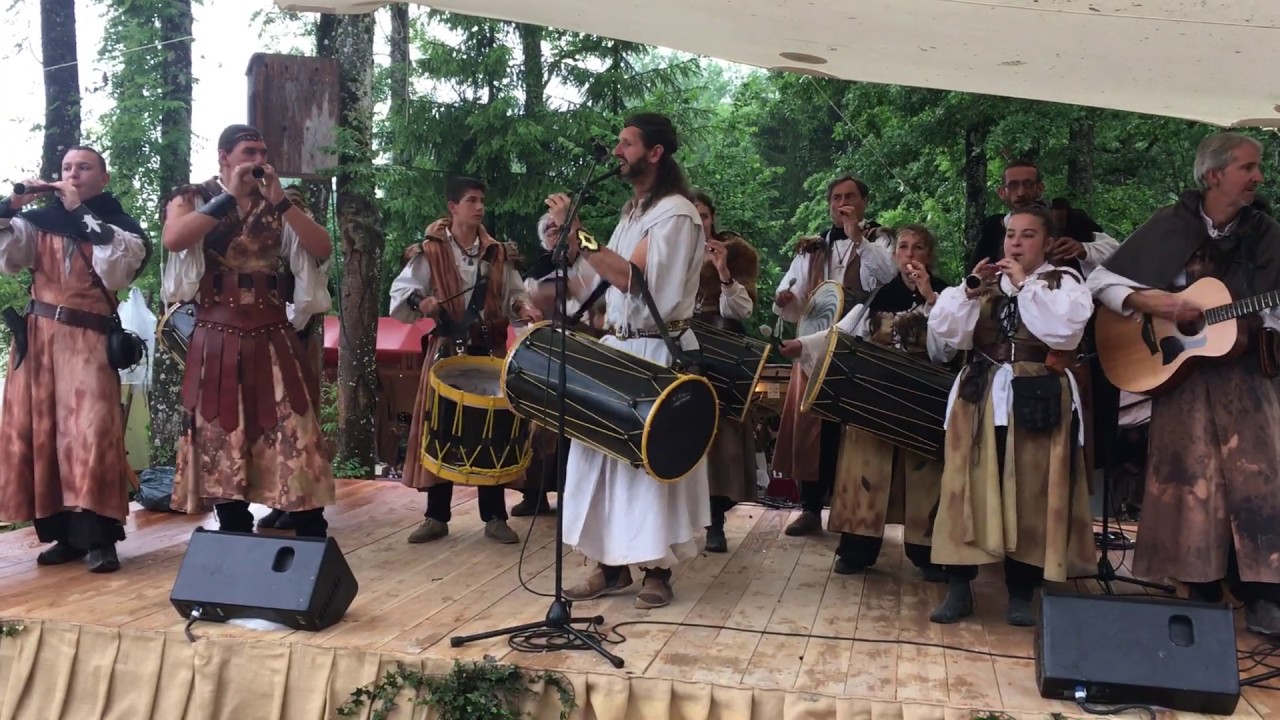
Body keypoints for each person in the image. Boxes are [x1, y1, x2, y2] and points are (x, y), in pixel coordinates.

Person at [1088, 132, 1280, 635]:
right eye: (1248, 167)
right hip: (1182, 378)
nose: (1258, 177)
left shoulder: (1266, 234)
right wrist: (1164, 305)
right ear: (1215, 175)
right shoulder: (1169, 224)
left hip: (1248, 378)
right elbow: (1102, 283)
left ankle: (1263, 593)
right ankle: (1197, 586)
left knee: (1260, 481)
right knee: (1189, 482)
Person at [549, 112, 707, 609]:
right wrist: (563, 264)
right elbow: (603, 287)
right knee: (602, 458)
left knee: (649, 464)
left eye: (627, 143)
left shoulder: (676, 214)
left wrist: (582, 238)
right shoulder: (632, 214)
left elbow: (642, 285)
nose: (617, 151)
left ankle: (658, 571)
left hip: (658, 353)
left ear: (655, 153)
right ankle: (609, 567)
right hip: (620, 348)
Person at [160, 124, 335, 537]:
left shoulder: (282, 201)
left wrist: (281, 203)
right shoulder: (194, 197)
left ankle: (308, 520)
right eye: (249, 152)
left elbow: (322, 248)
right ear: (224, 157)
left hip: (271, 327)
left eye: (262, 152)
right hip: (216, 329)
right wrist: (228, 198)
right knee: (220, 426)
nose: (259, 161)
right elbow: (174, 239)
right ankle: (233, 523)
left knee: (294, 424)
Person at [927, 206, 1096, 626]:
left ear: (1047, 242)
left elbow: (1064, 331)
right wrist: (968, 292)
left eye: (1027, 235)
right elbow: (947, 335)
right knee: (962, 486)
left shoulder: (1063, 282)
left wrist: (1024, 285)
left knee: (1031, 490)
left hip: (1036, 392)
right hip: (980, 391)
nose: (1016, 243)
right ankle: (958, 585)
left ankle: (1022, 590)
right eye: (1010, 235)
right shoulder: (983, 283)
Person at [0, 146, 149, 572]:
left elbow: (116, 270)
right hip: (40, 337)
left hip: (88, 337)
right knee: (45, 434)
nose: (73, 173)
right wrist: (14, 203)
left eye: (83, 167)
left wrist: (79, 210)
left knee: (92, 435)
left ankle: (100, 539)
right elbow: (9, 257)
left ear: (103, 177)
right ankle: (64, 535)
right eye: (67, 168)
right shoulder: (38, 223)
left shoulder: (119, 227)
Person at [781, 224, 953, 579]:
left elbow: (950, 347)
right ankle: (858, 549)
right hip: (875, 397)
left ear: (928, 256)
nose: (909, 254)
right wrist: (802, 346)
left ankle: (927, 552)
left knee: (924, 476)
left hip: (921, 399)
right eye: (903, 247)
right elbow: (839, 333)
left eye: (918, 248)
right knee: (865, 470)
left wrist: (929, 297)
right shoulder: (878, 296)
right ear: (894, 256)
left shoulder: (947, 296)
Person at [389, 177, 540, 545]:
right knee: (443, 427)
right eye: (471, 200)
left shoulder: (498, 253)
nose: (479, 207)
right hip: (446, 350)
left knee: (493, 429)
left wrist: (524, 307)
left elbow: (514, 294)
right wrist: (419, 303)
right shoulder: (431, 251)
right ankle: (436, 516)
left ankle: (495, 517)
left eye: (481, 200)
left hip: (489, 350)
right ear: (453, 207)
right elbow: (402, 292)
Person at [771, 176, 896, 537]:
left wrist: (857, 236)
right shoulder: (812, 247)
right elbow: (791, 292)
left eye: (850, 196)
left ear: (865, 201)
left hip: (860, 344)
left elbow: (887, 278)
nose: (842, 202)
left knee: (852, 432)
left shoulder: (880, 239)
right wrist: (785, 300)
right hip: (813, 349)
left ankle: (852, 514)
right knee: (813, 430)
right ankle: (810, 508)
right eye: (837, 197)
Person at [690, 190, 760, 553]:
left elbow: (742, 311)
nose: (699, 221)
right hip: (681, 353)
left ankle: (715, 522)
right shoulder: (669, 254)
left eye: (704, 215)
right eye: (692, 214)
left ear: (712, 218)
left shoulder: (735, 256)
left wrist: (723, 273)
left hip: (723, 356)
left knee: (721, 445)